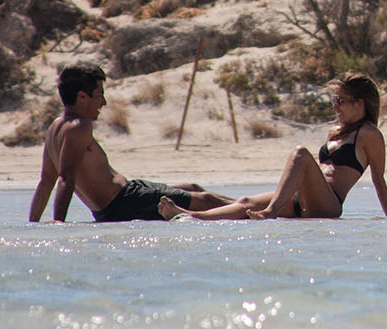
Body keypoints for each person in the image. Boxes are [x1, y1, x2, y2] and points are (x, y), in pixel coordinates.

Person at [159, 71, 387, 220]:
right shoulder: (336, 132)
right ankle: (190, 216)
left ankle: (271, 212)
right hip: (301, 198)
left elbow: (378, 179)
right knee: (245, 203)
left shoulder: (369, 134)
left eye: (340, 101)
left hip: (327, 204)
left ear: (360, 104)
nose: (335, 107)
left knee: (300, 153)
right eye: (334, 101)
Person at [28, 62, 233, 223]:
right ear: (82, 96)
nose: (104, 102)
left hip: (129, 195)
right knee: (204, 201)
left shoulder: (55, 128)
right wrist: (59, 222)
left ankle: (248, 207)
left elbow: (46, 181)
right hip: (125, 203)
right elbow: (66, 178)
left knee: (193, 188)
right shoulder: (78, 127)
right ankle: (254, 212)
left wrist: (33, 225)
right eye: (100, 95)